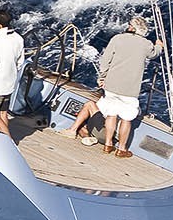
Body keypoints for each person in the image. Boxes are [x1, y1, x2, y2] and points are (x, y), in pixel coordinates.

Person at [65, 14, 164, 157]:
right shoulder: (146, 44)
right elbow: (154, 54)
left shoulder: (117, 39)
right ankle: (122, 149)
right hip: (130, 90)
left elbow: (105, 61)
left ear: (131, 27)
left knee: (111, 113)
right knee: (126, 118)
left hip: (111, 86)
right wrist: (159, 46)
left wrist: (102, 77)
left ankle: (108, 145)